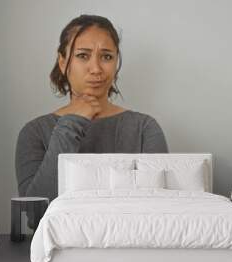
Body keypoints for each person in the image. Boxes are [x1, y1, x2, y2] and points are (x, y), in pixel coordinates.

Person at [15, 14, 169, 230]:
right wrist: (73, 122)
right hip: (61, 257)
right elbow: (35, 216)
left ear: (116, 63)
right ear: (62, 62)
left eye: (106, 57)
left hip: (135, 252)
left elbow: (158, 211)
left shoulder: (144, 128)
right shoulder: (34, 132)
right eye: (82, 56)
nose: (96, 69)